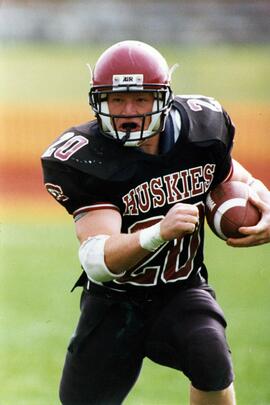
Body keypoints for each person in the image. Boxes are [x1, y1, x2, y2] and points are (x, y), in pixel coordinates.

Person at [41, 40, 270, 405]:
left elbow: (232, 178)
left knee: (210, 357)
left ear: (161, 98)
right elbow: (97, 261)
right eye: (116, 100)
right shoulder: (87, 157)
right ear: (99, 101)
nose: (128, 111)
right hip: (113, 301)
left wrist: (265, 204)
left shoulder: (202, 129)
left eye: (140, 99)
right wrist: (158, 232)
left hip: (181, 289)